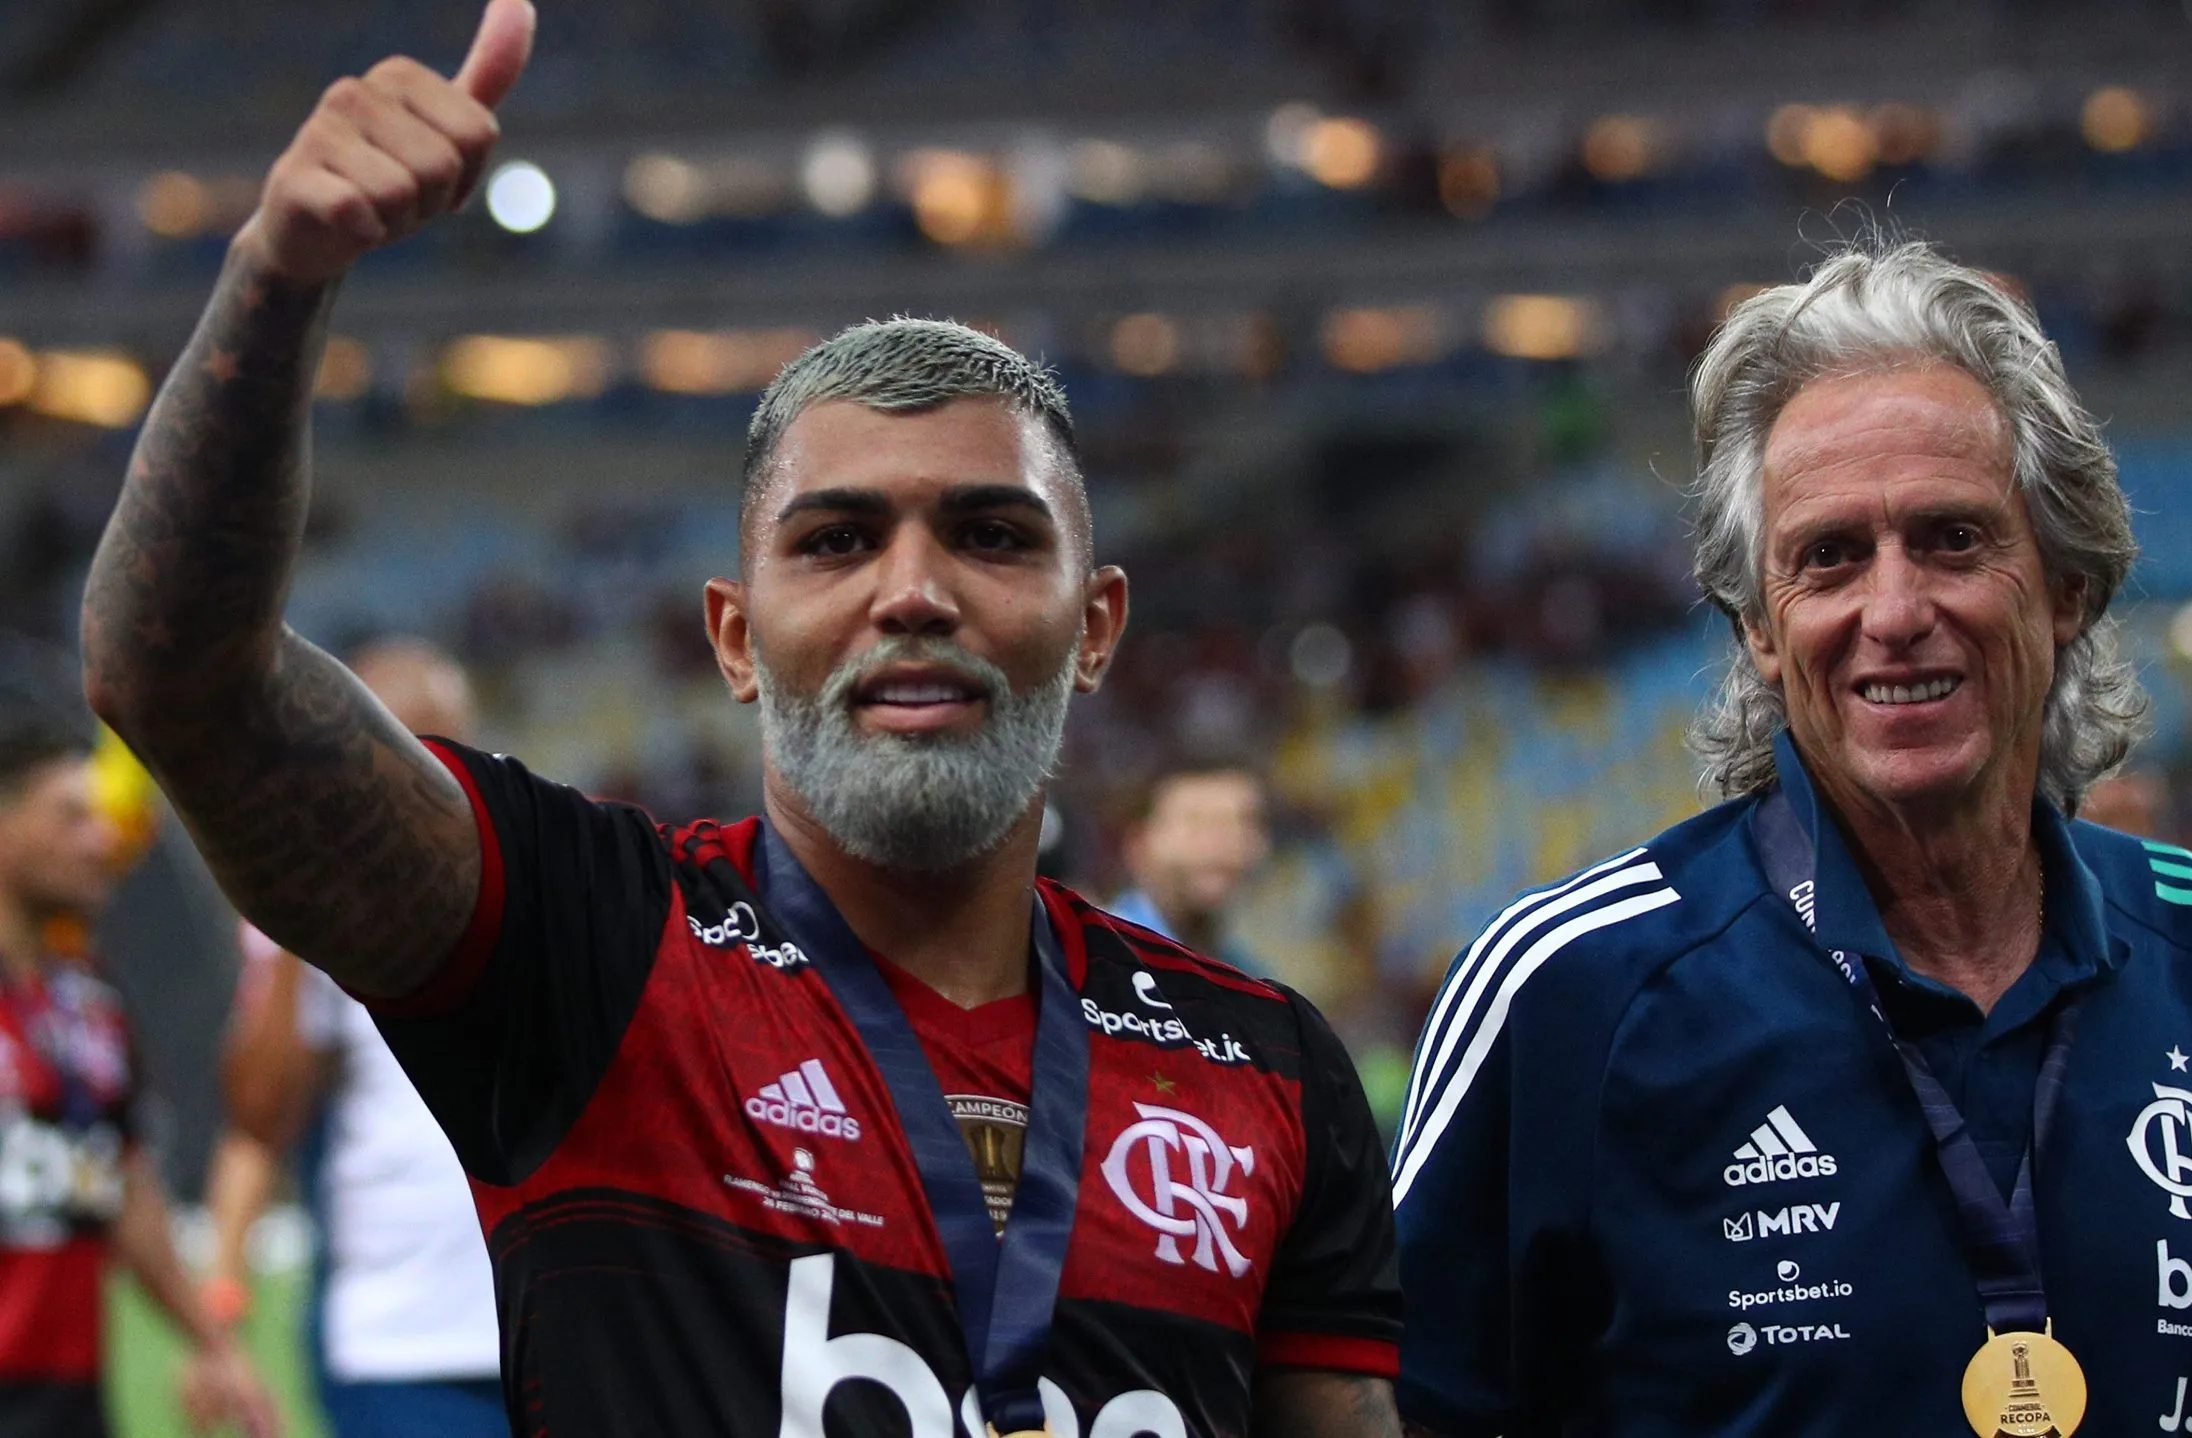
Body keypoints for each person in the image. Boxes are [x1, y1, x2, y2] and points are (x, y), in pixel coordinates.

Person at [79, 5, 1401, 1435]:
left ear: (1095, 630)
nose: (913, 591)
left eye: (991, 535)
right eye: (835, 540)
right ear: (733, 639)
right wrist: (278, 281)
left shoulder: (1264, 1061)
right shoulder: (590, 948)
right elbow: (183, 684)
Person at [1391, 240, 2192, 1438]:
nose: (1894, 612)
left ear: (2067, 587)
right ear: (1757, 626)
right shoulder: (1568, 989)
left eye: (1954, 539)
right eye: (1828, 557)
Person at [199, 639, 504, 1438]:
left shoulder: (537, 880)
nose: (433, 778)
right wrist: (299, 928)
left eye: (449, 747)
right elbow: (260, 1117)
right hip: (398, 1338)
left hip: (557, 1318)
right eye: (403, 749)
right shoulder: (311, 914)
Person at [0, 698, 276, 1438]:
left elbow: (120, 1184)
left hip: (69, 1396)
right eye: (72, 817)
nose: (102, 841)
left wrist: (214, 1345)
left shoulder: (88, 1002)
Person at [1109, 759, 1274, 975]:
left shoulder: (1252, 978)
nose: (1220, 843)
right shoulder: (1094, 958)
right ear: (1138, 844)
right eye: (1195, 822)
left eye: (1241, 823)